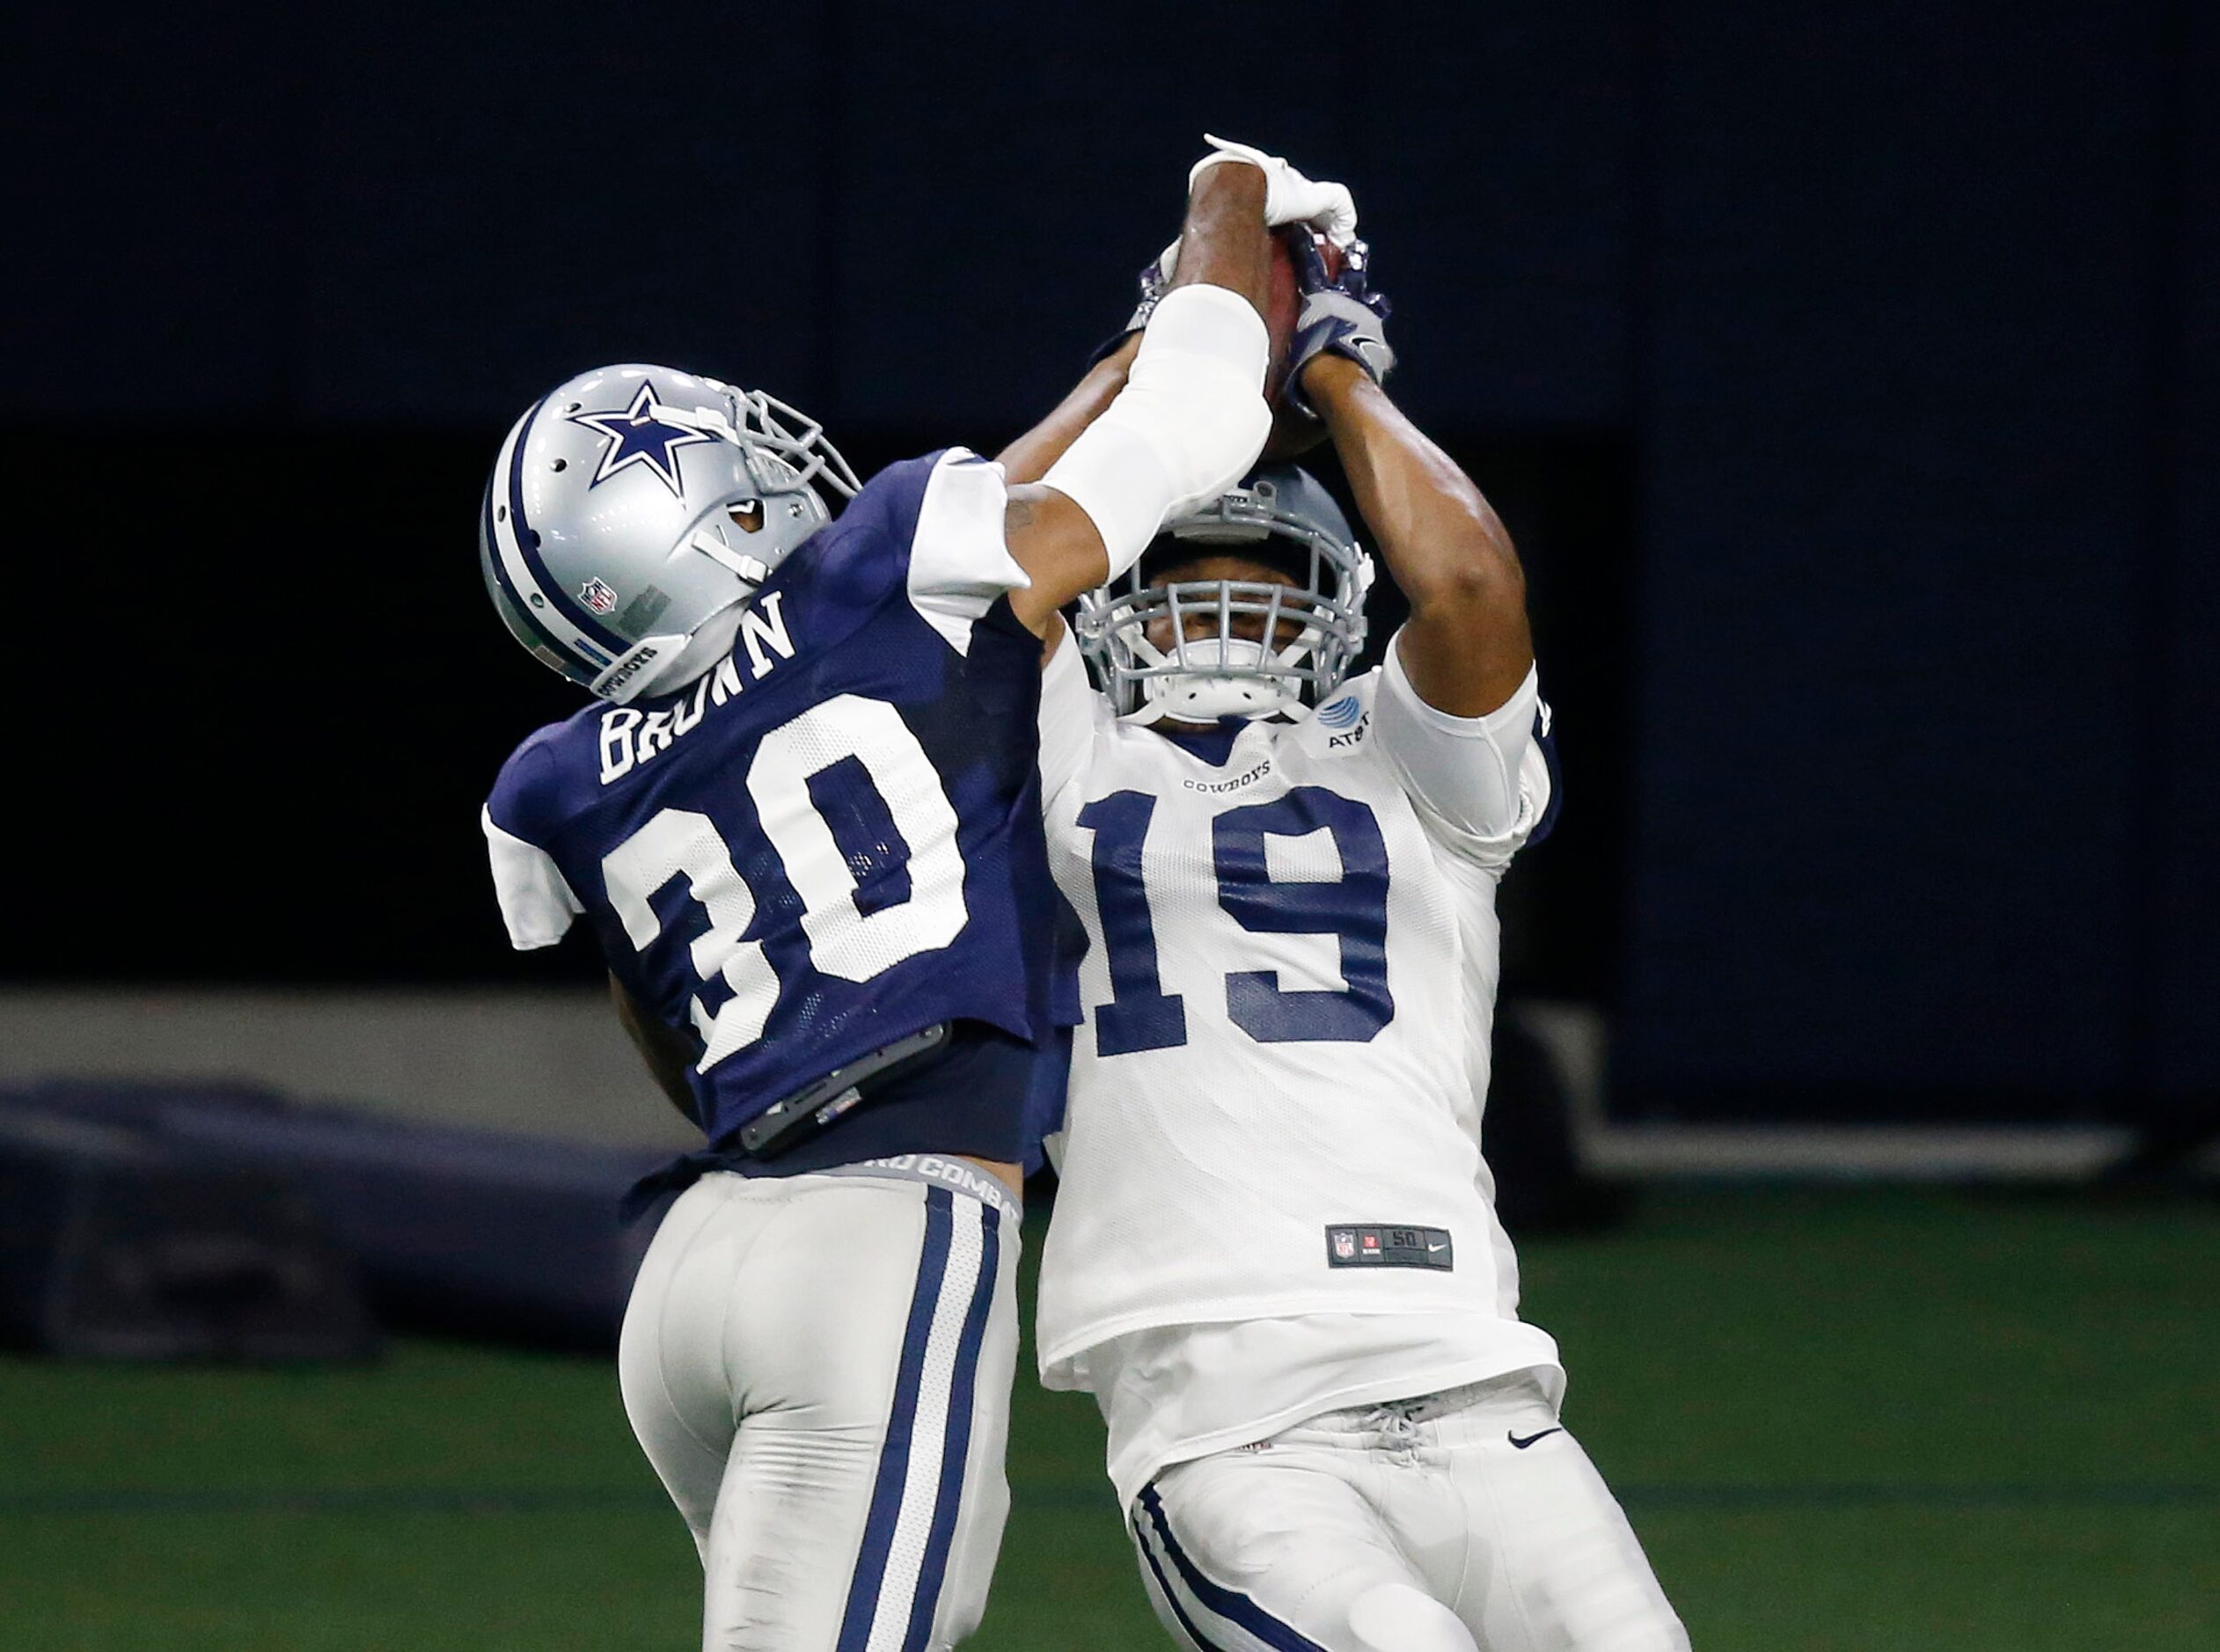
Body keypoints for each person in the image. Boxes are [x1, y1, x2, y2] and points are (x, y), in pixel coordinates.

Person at [1008, 235, 1689, 1649]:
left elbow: (1475, 591)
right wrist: (1146, 369)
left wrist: (1333, 360)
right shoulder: (1061, 743)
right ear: (1119, 588)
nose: (1217, 605)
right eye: (1183, 571)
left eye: (1256, 572)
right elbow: (956, 569)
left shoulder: (1412, 753)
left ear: (1331, 593)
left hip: (1477, 1384)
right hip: (1229, 1416)